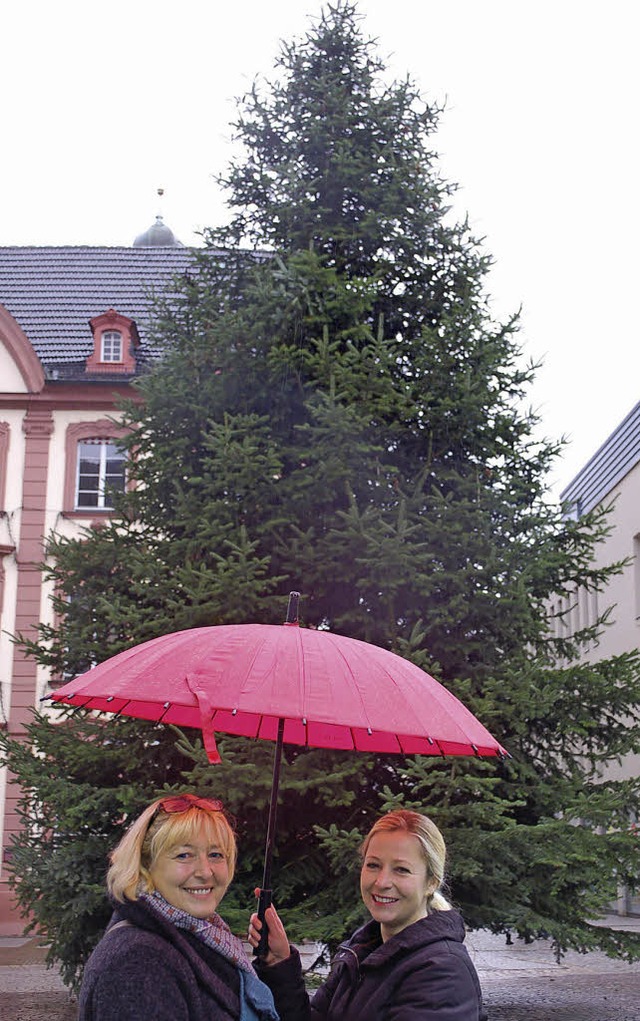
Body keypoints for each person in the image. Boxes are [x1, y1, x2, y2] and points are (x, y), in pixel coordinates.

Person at [249, 809, 486, 1021]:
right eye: (373, 865)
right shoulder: (359, 952)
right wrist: (279, 962)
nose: (382, 882)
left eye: (401, 870)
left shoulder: (442, 973)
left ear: (431, 883)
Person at [79, 792, 279, 1021]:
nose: (205, 871)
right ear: (146, 864)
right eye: (184, 855)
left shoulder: (201, 937)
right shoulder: (139, 963)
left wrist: (279, 965)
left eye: (215, 855)